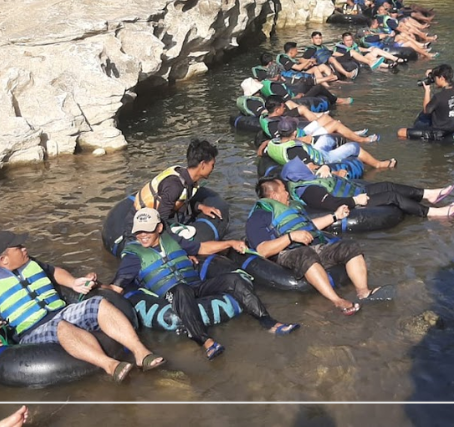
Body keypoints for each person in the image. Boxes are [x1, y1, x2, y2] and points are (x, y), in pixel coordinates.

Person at [0, 230, 165, 383]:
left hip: (61, 312)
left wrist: (74, 282)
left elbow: (54, 271)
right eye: (18, 247)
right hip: (33, 331)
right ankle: (110, 366)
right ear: (3, 259)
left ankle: (142, 353)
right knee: (61, 327)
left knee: (99, 303)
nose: (24, 248)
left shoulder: (29, 263)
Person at [107, 208, 299, 360]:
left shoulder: (171, 238)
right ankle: (204, 340)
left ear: (158, 228)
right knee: (180, 290)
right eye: (138, 231)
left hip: (194, 286)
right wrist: (94, 287)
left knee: (234, 279)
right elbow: (116, 288)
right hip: (170, 294)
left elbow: (201, 248)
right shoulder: (133, 255)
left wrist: (230, 243)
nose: (142, 235)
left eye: (147, 230)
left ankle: (269, 322)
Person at [246, 177, 395, 315]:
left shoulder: (292, 209)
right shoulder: (258, 216)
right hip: (288, 253)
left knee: (349, 246)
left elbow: (311, 226)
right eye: (284, 190)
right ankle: (337, 301)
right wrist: (291, 237)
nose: (287, 194)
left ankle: (363, 292)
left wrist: (336, 216)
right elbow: (262, 250)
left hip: (316, 246)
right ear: (273, 196)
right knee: (305, 254)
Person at [279, 158, 454, 219]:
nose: (308, 165)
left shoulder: (309, 178)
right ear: (298, 173)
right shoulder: (309, 190)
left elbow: (327, 179)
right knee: (392, 196)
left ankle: (429, 194)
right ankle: (432, 213)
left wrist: (326, 167)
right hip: (352, 204)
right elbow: (331, 203)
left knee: (387, 185)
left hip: (355, 191)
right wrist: (355, 201)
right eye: (304, 166)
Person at [133, 138, 223, 224]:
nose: (213, 168)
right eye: (212, 165)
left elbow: (182, 201)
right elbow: (162, 218)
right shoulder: (174, 185)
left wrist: (201, 207)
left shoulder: (186, 178)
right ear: (203, 165)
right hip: (142, 220)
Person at [258, 117, 396, 171]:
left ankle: (349, 133)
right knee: (353, 147)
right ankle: (378, 164)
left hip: (311, 149)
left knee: (326, 137)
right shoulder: (294, 151)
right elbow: (311, 167)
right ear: (294, 133)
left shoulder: (272, 143)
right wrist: (332, 171)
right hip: (323, 158)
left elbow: (262, 148)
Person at [259, 96, 375, 144]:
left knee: (325, 118)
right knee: (335, 124)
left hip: (302, 131)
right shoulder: (272, 125)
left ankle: (351, 133)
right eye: (283, 107)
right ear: (278, 109)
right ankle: (362, 140)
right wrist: (303, 138)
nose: (285, 108)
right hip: (303, 137)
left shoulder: (268, 117)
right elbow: (281, 141)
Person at [397, 64, 454, 141]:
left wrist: (427, 91)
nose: (434, 80)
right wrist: (432, 72)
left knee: (401, 132)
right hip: (452, 126)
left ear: (441, 78)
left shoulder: (439, 96)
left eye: (435, 78)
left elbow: (426, 111)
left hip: (438, 132)